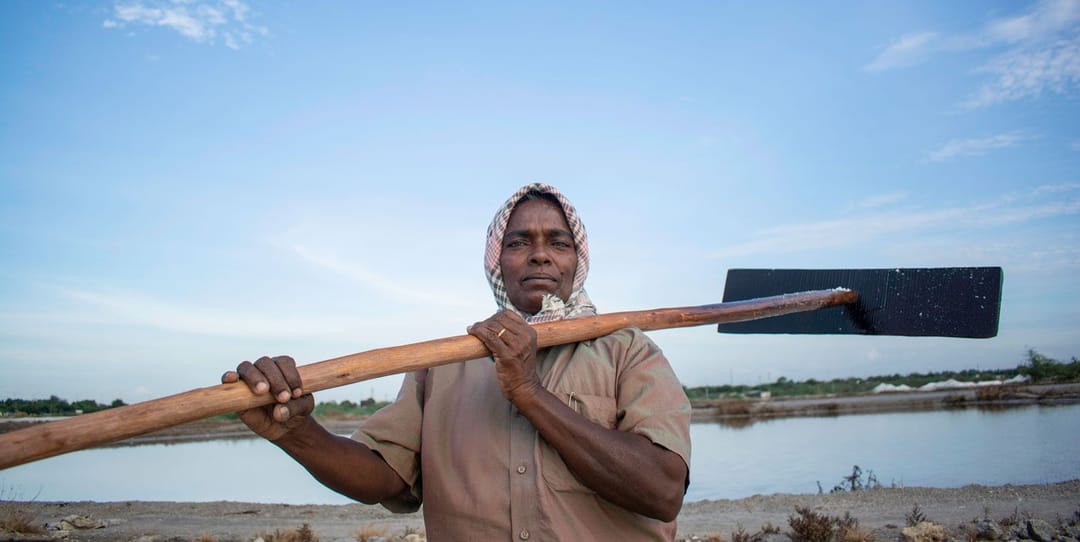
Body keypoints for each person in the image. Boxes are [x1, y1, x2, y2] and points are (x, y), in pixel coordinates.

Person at [222, 183, 691, 540]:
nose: (541, 254)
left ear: (577, 261)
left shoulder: (627, 349)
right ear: (497, 262)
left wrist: (528, 393)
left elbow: (661, 491)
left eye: (559, 243)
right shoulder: (444, 363)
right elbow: (384, 477)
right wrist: (296, 433)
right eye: (519, 242)